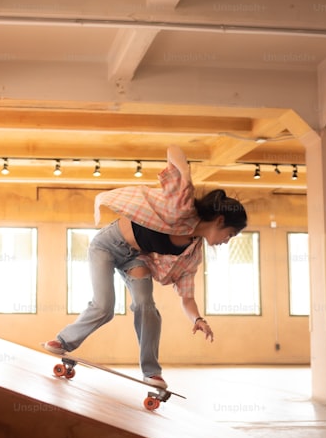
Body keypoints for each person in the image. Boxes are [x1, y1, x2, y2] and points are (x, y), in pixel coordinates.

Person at [43, 144, 247, 388]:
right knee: (104, 307)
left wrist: (197, 319)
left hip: (135, 258)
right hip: (107, 245)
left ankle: (151, 372)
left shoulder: (192, 253)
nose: (227, 242)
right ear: (220, 221)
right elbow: (172, 149)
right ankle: (62, 341)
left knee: (145, 305)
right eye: (230, 234)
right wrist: (185, 173)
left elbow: (186, 298)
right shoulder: (183, 205)